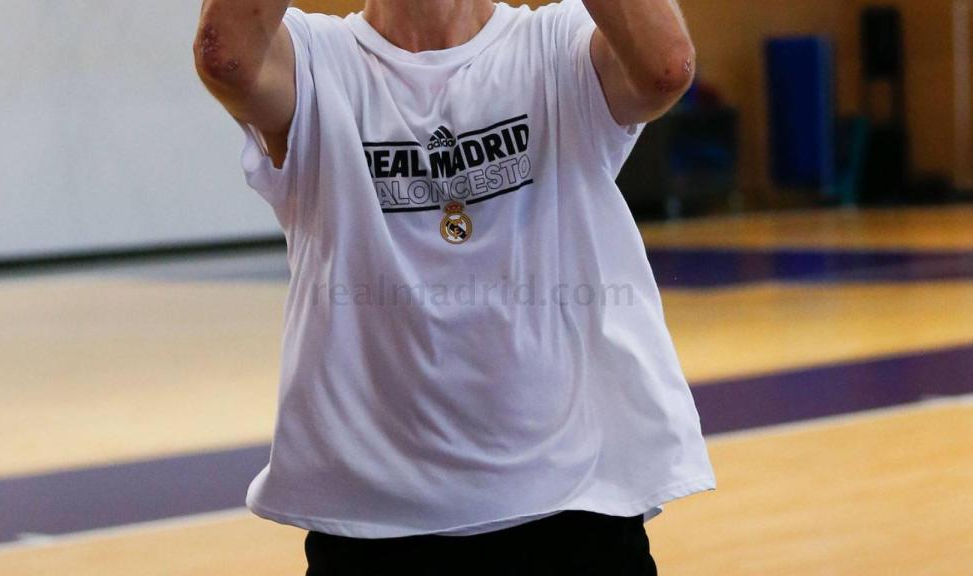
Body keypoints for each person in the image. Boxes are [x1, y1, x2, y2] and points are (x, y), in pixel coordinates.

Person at [194, 0, 715, 573]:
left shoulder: (556, 43)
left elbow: (664, 68)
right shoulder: (316, 59)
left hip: (571, 510)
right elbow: (228, 61)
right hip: (374, 524)